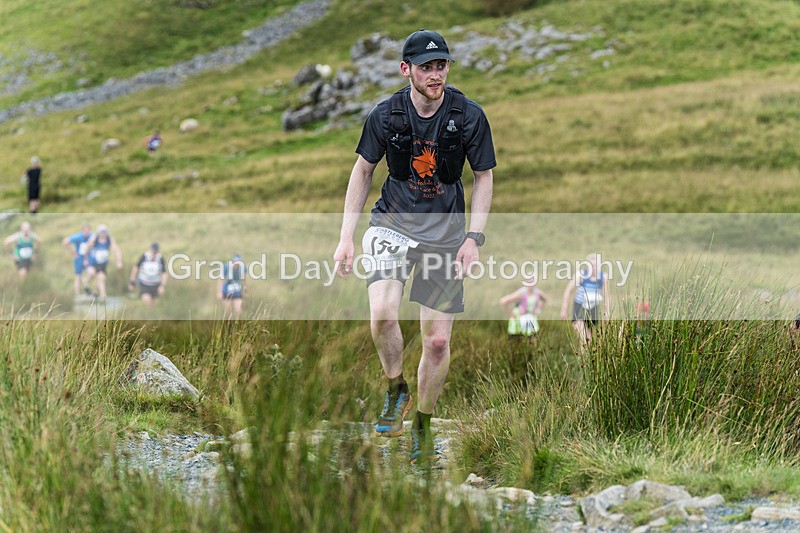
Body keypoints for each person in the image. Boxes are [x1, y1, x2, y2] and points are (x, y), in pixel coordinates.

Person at [333, 29, 495, 464]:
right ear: (406, 70)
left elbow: (483, 177)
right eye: (426, 66)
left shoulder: (470, 116)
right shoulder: (386, 115)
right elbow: (363, 171)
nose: (435, 74)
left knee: (438, 342)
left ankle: (422, 424)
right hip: (392, 224)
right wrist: (347, 237)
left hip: (445, 235)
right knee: (383, 311)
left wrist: (473, 239)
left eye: (441, 65)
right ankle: (395, 388)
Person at [560, 253, 610, 352]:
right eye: (592, 265)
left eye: (596, 265)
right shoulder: (580, 275)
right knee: (584, 339)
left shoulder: (603, 277)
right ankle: (584, 364)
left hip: (593, 310)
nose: (594, 268)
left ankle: (584, 364)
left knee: (589, 341)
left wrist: (607, 312)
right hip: (579, 308)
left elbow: (606, 296)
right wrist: (563, 309)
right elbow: (568, 291)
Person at [84, 224, 123, 299]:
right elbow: (87, 249)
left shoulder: (109, 240)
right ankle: (87, 284)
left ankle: (102, 295)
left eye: (104, 232)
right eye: (101, 232)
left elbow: (116, 250)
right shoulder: (94, 239)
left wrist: (119, 261)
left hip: (102, 264)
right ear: (98, 232)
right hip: (93, 262)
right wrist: (85, 259)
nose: (102, 234)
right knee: (91, 273)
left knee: (101, 278)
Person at [62, 223, 94, 298]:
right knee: (78, 276)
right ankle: (77, 295)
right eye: (85, 230)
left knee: (91, 272)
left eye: (88, 230)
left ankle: (86, 285)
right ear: (82, 230)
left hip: (88, 257)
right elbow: (65, 241)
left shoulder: (92, 236)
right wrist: (72, 252)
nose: (87, 232)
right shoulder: (78, 236)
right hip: (79, 258)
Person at [217, 253, 247, 318]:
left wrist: (245, 288)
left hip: (237, 291)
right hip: (227, 291)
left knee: (239, 311)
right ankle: (229, 326)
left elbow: (244, 278)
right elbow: (221, 279)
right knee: (228, 312)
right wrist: (220, 292)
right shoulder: (226, 267)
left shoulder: (243, 268)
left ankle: (239, 326)